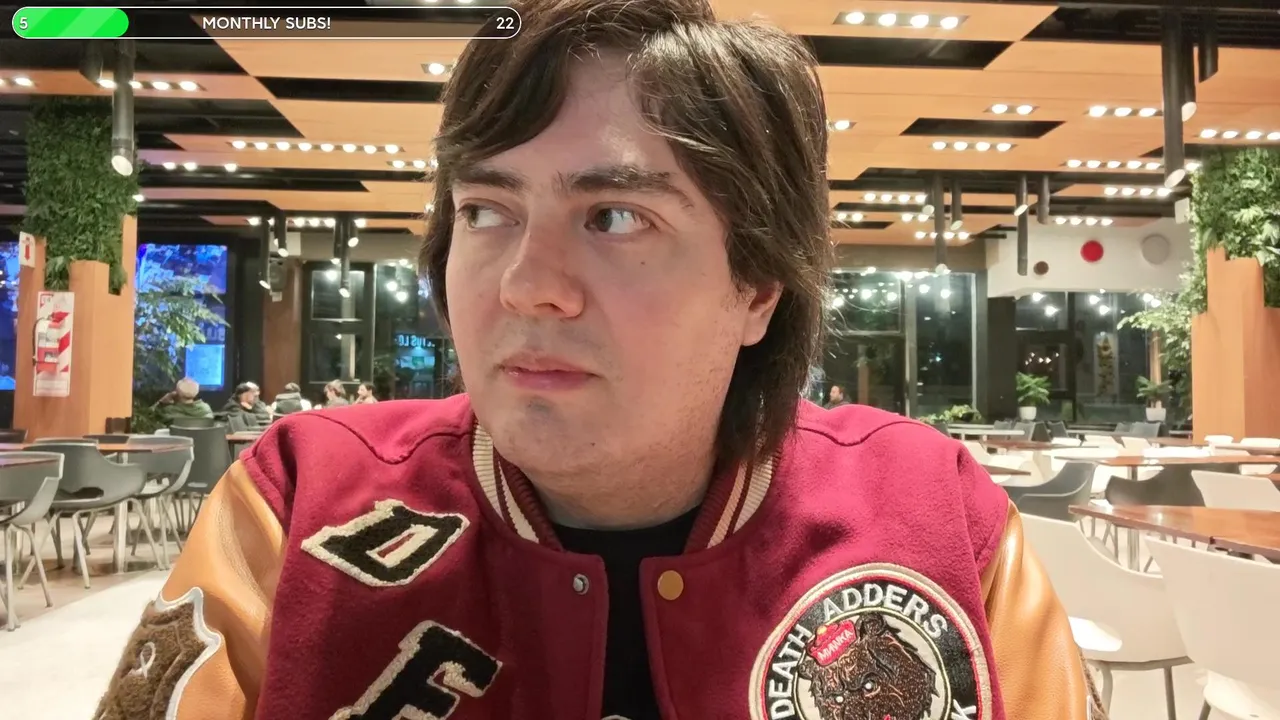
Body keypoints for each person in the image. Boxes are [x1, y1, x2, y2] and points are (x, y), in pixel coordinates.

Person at [96, 1, 1098, 718]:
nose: (526, 284)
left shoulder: (932, 517)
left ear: (758, 286)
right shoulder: (299, 500)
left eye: (614, 217)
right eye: (486, 211)